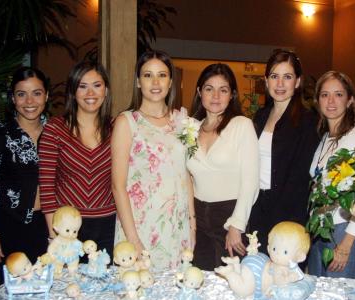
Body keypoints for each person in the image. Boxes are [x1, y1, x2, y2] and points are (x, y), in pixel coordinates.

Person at [111, 50, 194, 270]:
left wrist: (192, 225)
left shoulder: (183, 120)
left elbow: (186, 174)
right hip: (141, 225)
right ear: (138, 82)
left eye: (162, 75)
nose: (155, 82)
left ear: (170, 82)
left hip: (177, 226)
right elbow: (118, 186)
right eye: (148, 75)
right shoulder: (127, 121)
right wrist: (133, 239)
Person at [39, 61, 116, 261]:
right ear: (73, 92)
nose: (90, 93)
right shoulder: (55, 129)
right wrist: (53, 235)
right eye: (82, 86)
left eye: (97, 85)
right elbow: (46, 186)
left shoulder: (117, 128)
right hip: (67, 227)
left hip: (108, 224)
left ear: (106, 90)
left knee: (103, 287)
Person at [187, 63, 259, 271]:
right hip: (198, 218)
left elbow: (250, 181)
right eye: (209, 88)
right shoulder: (190, 127)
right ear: (200, 92)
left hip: (229, 217)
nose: (216, 96)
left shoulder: (241, 126)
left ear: (232, 95)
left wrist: (236, 225)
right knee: (200, 280)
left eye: (223, 90)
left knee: (231, 285)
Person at [247, 49, 319, 254]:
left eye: (287, 77)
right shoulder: (259, 118)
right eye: (274, 76)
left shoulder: (307, 122)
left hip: (288, 215)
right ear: (266, 81)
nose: (280, 84)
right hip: (257, 208)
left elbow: (301, 178)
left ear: (297, 82)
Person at [308, 71, 355, 278]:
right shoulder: (325, 139)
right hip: (320, 231)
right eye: (325, 94)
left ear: (349, 100)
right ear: (318, 100)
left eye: (338, 94)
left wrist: (347, 243)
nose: (331, 101)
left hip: (344, 232)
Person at [0, 67, 49, 291]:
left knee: (44, 291)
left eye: (37, 92)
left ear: (46, 96)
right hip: (7, 228)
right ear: (13, 98)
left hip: (46, 227)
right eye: (21, 94)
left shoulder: (55, 132)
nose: (29, 101)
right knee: (5, 293)